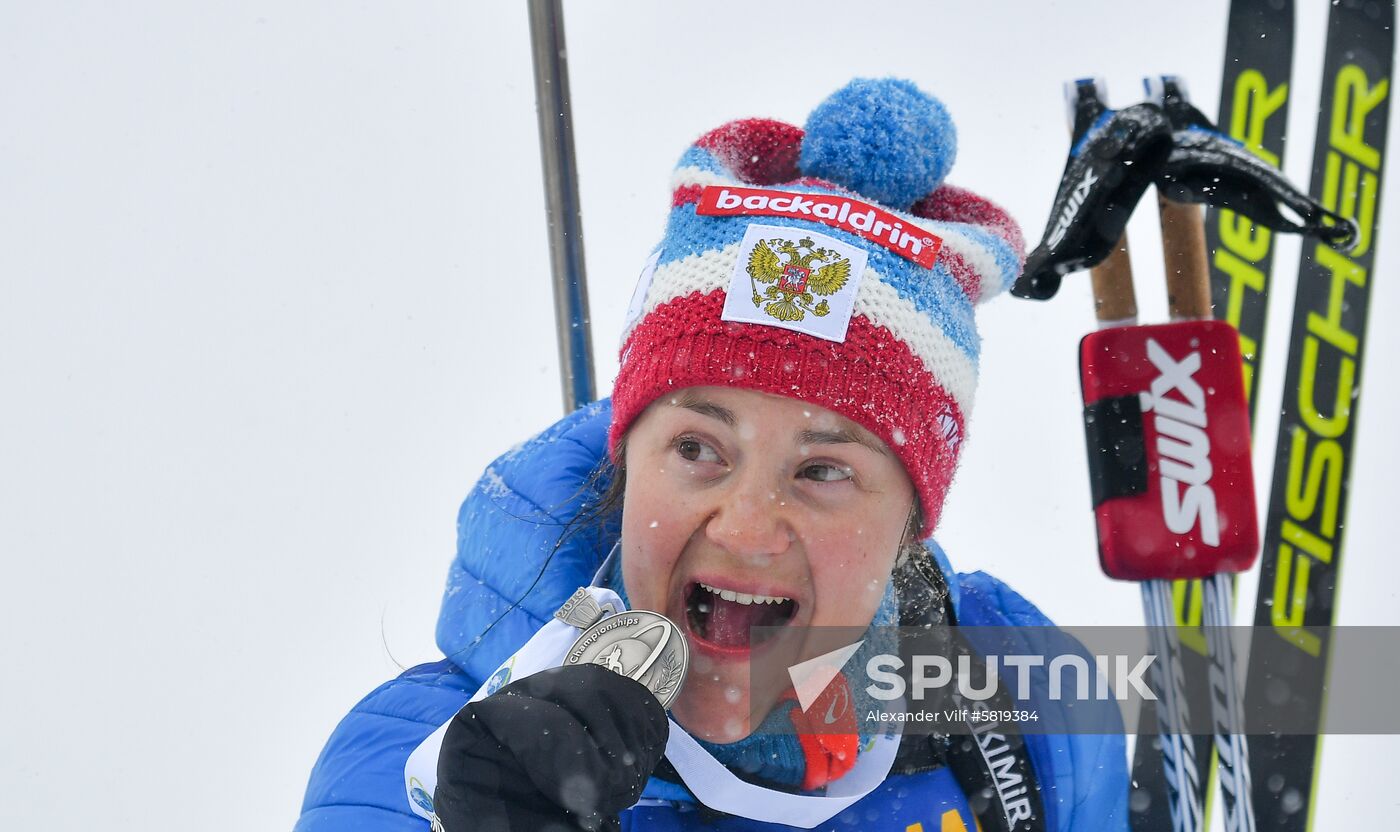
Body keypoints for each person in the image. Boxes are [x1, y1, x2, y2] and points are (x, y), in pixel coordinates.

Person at [295, 78, 1128, 832]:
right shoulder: (431, 769)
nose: (747, 526)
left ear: (910, 521)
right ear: (628, 465)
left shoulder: (1024, 707)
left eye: (823, 470)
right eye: (699, 448)